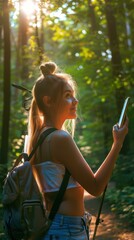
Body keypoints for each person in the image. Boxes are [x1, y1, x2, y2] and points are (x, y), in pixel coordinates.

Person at [27, 62, 128, 240]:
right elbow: (96, 187)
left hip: (52, 227)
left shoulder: (36, 138)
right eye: (67, 96)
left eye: (73, 95)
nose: (75, 101)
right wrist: (117, 144)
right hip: (67, 231)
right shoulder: (60, 138)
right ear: (48, 101)